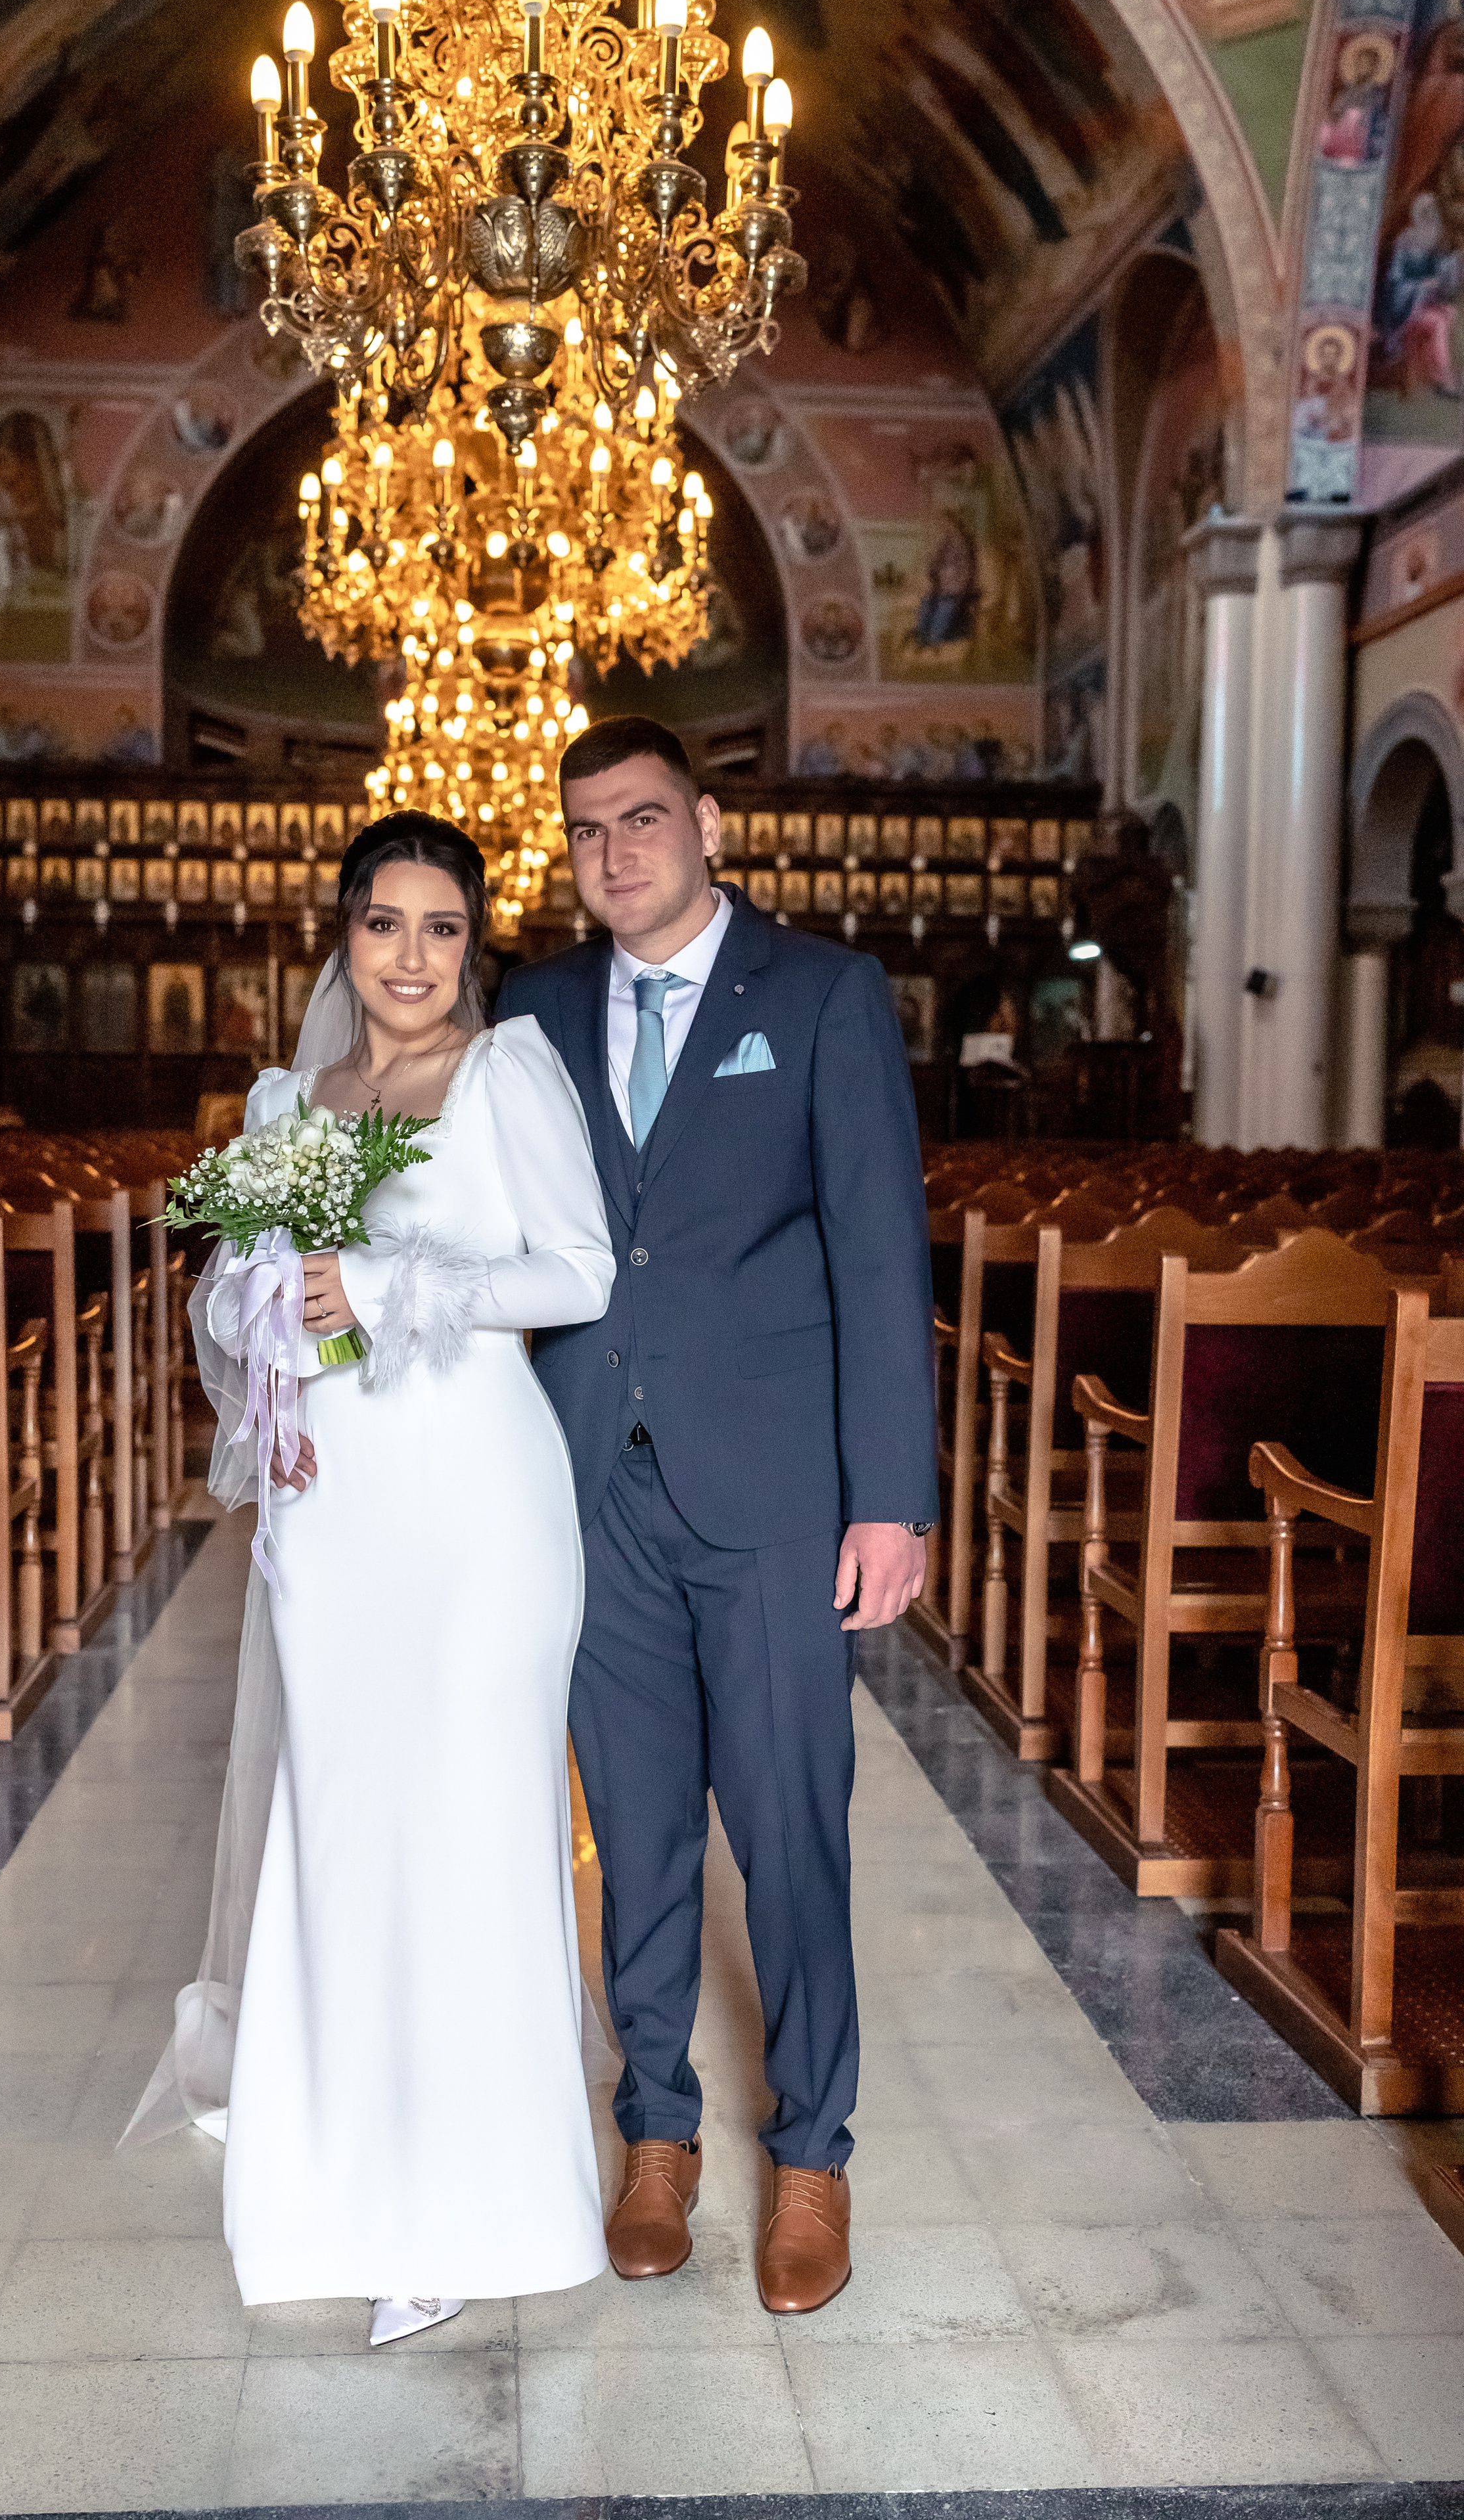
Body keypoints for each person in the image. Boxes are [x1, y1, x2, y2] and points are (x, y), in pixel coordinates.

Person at [124, 811, 614, 2343]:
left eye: (442, 927)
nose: (411, 957)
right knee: (342, 1831)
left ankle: (471, 2205)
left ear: (475, 943)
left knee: (466, 1828)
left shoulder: (511, 1072)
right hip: (334, 1516)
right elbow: (239, 1296)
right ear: (341, 936)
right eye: (382, 924)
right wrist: (268, 1308)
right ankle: (333, 2179)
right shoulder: (294, 1095)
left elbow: (578, 1270)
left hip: (476, 1503)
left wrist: (392, 1280)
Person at [497, 717, 938, 2317]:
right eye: (583, 830)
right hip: (587, 1488)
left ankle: (811, 2149)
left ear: (705, 821)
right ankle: (657, 2133)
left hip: (767, 1493)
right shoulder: (531, 1006)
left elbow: (881, 1255)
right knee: (634, 1834)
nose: (612, 852)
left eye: (640, 819)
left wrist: (889, 1499)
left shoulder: (820, 996)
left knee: (788, 1826)